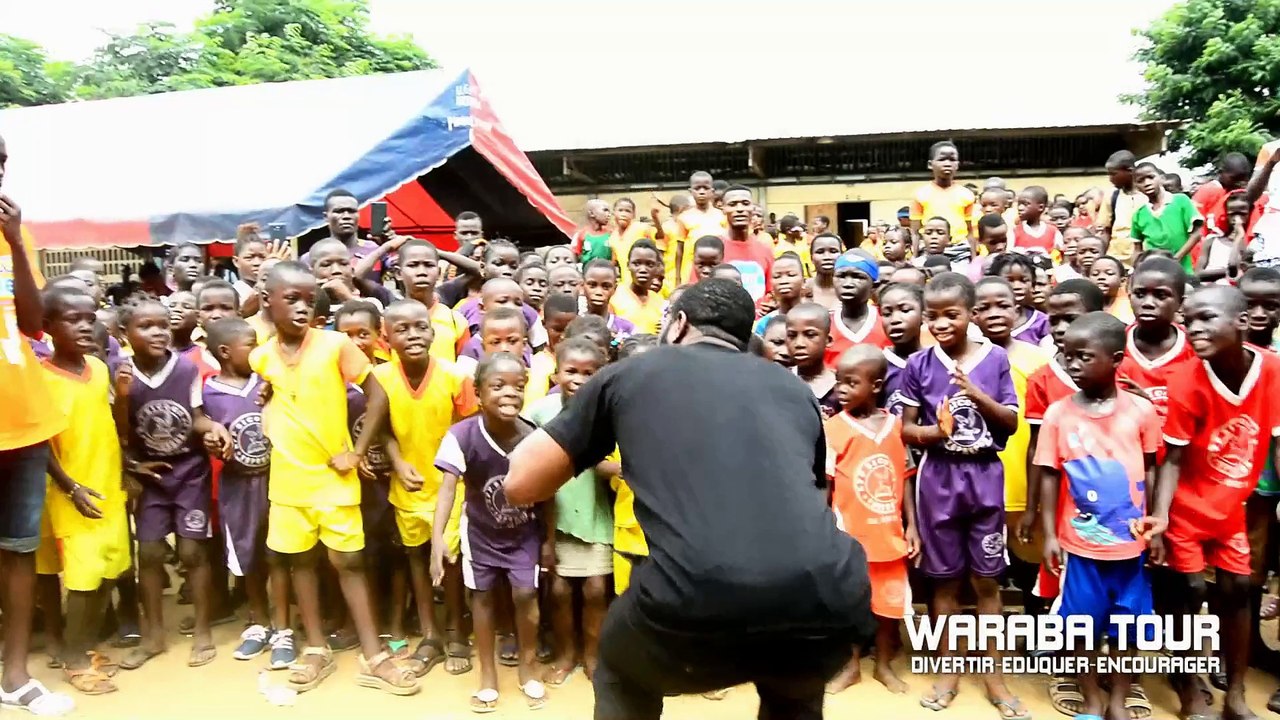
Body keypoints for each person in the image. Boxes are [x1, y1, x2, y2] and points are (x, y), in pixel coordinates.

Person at [503, 278, 875, 720]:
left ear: (678, 326)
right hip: (830, 593)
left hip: (693, 597)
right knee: (795, 687)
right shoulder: (794, 390)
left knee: (621, 670)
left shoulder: (631, 374)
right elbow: (808, 496)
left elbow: (520, 483)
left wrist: (593, 425)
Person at [249, 261, 418, 695]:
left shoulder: (335, 345)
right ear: (268, 302)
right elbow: (271, 395)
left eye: (309, 300)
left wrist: (357, 452)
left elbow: (376, 392)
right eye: (292, 299)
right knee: (300, 562)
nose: (303, 308)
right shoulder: (261, 356)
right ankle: (316, 650)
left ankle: (375, 655)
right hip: (287, 484)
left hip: (332, 480)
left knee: (349, 562)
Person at [1151, 285, 1280, 720]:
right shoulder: (1185, 380)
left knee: (1239, 591)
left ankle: (1237, 693)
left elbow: (1278, 442)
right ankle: (1189, 687)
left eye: (1207, 318)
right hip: (1187, 507)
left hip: (1230, 509)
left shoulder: (1273, 370)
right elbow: (1171, 459)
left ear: (1242, 323)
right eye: (1189, 321)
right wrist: (1160, 519)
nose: (1194, 328)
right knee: (1187, 593)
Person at [898, 272, 1021, 716]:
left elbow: (1011, 421)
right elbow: (906, 430)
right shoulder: (918, 365)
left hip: (985, 478)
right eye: (932, 316)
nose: (941, 323)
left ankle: (995, 680)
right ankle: (947, 673)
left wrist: (976, 394)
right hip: (939, 482)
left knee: (986, 582)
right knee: (944, 582)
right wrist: (937, 430)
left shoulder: (996, 360)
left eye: (952, 315)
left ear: (971, 314)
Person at [1036, 312, 1162, 720]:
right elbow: (1050, 474)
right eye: (1067, 356)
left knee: (1128, 626)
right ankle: (1091, 698)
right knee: (1082, 626)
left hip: (1132, 547)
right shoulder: (1058, 414)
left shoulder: (1140, 411)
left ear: (1116, 359)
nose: (1072, 365)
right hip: (1080, 547)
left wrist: (1158, 522)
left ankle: (1119, 699)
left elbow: (1153, 467)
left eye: (1083, 357)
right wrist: (1050, 534)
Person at [357, 299, 477, 679]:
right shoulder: (380, 378)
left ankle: (457, 629)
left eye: (420, 327)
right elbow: (383, 428)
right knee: (416, 559)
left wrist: (454, 474)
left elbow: (467, 429)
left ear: (433, 331)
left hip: (450, 485)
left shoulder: (456, 376)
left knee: (451, 561)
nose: (412, 335)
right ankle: (430, 634)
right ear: (384, 337)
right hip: (408, 485)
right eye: (402, 329)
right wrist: (396, 460)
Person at [115, 299, 230, 670]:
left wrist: (212, 427)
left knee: (192, 553)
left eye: (163, 325)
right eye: (146, 326)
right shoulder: (121, 373)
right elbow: (119, 431)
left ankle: (202, 630)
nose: (158, 332)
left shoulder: (184, 369)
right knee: (148, 554)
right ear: (125, 334)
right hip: (150, 476)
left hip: (189, 472)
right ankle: (152, 637)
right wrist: (121, 397)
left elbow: (195, 417)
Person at [431, 353, 547, 712]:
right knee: (480, 598)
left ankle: (528, 667)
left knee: (525, 595)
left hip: (524, 533)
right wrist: (438, 539)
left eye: (518, 387)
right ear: (478, 393)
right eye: (498, 386)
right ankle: (487, 675)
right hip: (480, 532)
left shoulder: (535, 436)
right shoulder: (462, 434)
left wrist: (550, 541)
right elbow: (448, 488)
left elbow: (549, 493)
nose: (509, 393)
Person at [38, 287, 130, 696]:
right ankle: (74, 660)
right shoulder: (41, 379)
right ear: (47, 327)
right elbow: (37, 442)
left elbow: (107, 424)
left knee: (109, 570)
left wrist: (128, 470)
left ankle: (86, 646)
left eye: (89, 317)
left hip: (109, 487)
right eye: (71, 318)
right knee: (81, 580)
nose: (83, 325)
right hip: (73, 493)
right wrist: (70, 487)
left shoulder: (98, 366)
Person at [823, 345, 919, 696]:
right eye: (838, 382)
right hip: (850, 537)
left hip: (890, 535)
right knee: (850, 604)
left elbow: (906, 476)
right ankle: (850, 667)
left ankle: (883, 665)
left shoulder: (896, 426)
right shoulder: (834, 428)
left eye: (851, 382)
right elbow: (827, 484)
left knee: (888, 606)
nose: (841, 390)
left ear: (876, 385)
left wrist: (914, 526)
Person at [198, 317, 287, 665]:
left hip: (276, 479)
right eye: (251, 345)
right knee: (248, 555)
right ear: (225, 351)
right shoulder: (208, 392)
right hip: (237, 485)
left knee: (278, 552)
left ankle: (282, 626)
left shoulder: (267, 383)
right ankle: (258, 621)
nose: (259, 350)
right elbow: (197, 421)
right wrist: (208, 431)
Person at [526, 338, 615, 686]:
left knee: (595, 590)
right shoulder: (540, 412)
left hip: (596, 515)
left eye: (588, 373)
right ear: (556, 372)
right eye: (571, 371)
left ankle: (593, 656)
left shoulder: (608, 411)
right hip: (556, 517)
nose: (578, 379)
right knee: (559, 591)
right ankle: (566, 654)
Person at [972, 277, 1050, 614]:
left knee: (1029, 560)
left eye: (1002, 305)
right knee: (984, 564)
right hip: (977, 480)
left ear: (1017, 310)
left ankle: (1035, 629)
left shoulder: (1036, 360)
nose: (994, 313)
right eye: (984, 308)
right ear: (972, 315)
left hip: (1023, 478)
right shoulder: (964, 359)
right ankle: (991, 632)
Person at [396, 240, 471, 363]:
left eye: (429, 265)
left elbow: (464, 371)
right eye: (413, 265)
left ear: (439, 273)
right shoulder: (388, 321)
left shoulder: (456, 321)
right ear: (399, 273)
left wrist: (439, 252)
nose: (421, 272)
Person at [1130, 162, 1204, 273]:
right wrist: (1135, 270)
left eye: (1151, 177)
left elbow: (1196, 234)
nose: (1147, 183)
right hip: (1154, 271)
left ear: (1161, 178)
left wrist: (1176, 259)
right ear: (1136, 186)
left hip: (1183, 270)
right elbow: (1137, 249)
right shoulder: (1139, 214)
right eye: (1140, 181)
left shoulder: (1180, 201)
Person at [824, 251, 890, 368]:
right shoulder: (823, 325)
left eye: (858, 277)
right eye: (841, 276)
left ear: (874, 286)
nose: (848, 283)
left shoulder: (887, 321)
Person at [910, 141, 977, 257]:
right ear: (930, 164)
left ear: (957, 164)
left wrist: (974, 258)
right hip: (929, 251)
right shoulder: (920, 195)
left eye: (952, 160)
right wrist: (914, 258)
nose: (947, 163)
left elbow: (970, 232)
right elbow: (915, 232)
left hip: (959, 251)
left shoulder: (967, 195)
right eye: (942, 159)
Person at [719, 186, 776, 303]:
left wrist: (772, 303)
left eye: (745, 203)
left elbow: (773, 292)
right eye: (733, 204)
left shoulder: (765, 249)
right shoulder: (713, 248)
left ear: (752, 208)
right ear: (723, 208)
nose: (740, 209)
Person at [670, 172, 727, 286]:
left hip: (717, 270)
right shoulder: (684, 218)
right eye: (697, 188)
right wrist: (678, 278)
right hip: (691, 271)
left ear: (712, 191)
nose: (701, 191)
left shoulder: (722, 216)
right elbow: (679, 250)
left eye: (705, 188)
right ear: (691, 191)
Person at [879, 282, 926, 416]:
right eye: (887, 313)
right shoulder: (877, 366)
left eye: (905, 310)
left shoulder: (934, 361)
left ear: (924, 315)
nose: (895, 320)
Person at [1095, 150, 1147, 266]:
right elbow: (1106, 231)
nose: (1110, 179)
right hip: (1116, 259)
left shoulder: (1147, 196)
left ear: (1130, 171)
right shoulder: (1112, 196)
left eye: (1114, 174)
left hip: (1142, 260)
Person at [787, 302, 839, 417]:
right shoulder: (781, 381)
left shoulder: (840, 387)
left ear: (828, 340)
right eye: (792, 335)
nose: (799, 344)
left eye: (810, 335)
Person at [989, 253, 1050, 346]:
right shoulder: (986, 318)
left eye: (1024, 280)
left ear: (1033, 284)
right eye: (1009, 280)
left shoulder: (1042, 322)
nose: (1017, 286)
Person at [610, 240, 665, 335]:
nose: (643, 270)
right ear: (628, 265)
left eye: (649, 264)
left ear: (657, 267)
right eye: (636, 264)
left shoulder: (660, 302)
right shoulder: (614, 297)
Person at [608, 198, 659, 289]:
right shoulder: (613, 237)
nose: (623, 214)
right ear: (614, 213)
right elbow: (614, 262)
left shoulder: (641, 228)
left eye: (628, 211)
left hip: (645, 280)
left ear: (634, 214)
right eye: (620, 210)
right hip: (626, 285)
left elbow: (660, 236)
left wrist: (655, 218)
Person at [581, 260, 636, 339]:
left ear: (615, 288)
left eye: (606, 287)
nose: (599, 292)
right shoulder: (573, 326)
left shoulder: (626, 329)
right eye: (592, 285)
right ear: (582, 285)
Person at [754, 252, 806, 335]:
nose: (784, 281)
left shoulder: (816, 317)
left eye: (791, 275)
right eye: (777, 276)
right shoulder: (765, 324)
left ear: (803, 281)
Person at [1011, 185, 1061, 257]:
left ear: (1040, 207)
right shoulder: (1014, 232)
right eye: (1019, 204)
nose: (1020, 208)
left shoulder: (1053, 231)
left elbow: (1058, 256)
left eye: (1026, 204)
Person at [1089, 255, 1133, 324]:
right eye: (1095, 274)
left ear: (1123, 281)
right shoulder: (1085, 304)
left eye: (1109, 273)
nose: (1101, 277)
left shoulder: (1129, 307)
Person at [808, 233, 844, 310]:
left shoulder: (850, 288)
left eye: (833, 251)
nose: (827, 257)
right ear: (811, 258)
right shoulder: (803, 289)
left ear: (842, 256)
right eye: (820, 252)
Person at [573, 199, 613, 266]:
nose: (609, 215)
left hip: (607, 271)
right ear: (591, 213)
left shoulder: (611, 233)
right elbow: (575, 256)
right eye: (605, 210)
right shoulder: (581, 235)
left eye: (609, 211)